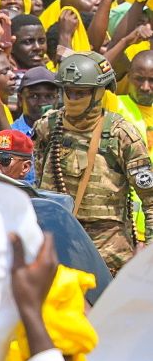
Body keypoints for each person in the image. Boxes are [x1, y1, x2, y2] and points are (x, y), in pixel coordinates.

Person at [35, 52, 153, 272]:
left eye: (81, 92)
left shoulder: (121, 135)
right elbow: (39, 180)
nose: (73, 99)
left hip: (108, 251)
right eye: (68, 91)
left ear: (99, 92)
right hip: (58, 241)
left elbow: (150, 200)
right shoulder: (47, 126)